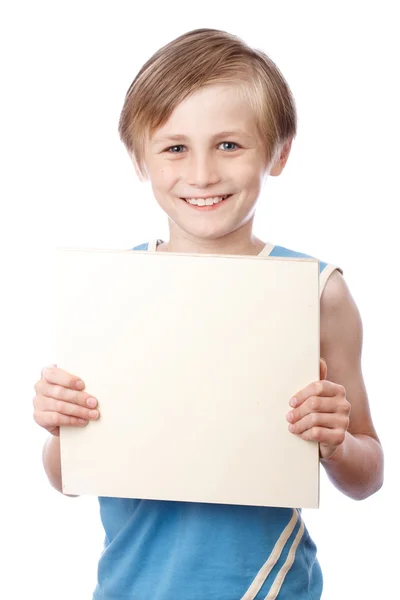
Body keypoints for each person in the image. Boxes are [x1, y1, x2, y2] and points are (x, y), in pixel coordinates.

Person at [33, 28, 383, 599]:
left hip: (270, 589)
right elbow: (66, 478)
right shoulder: (112, 293)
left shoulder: (319, 292)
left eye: (229, 145)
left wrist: (335, 442)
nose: (201, 175)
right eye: (175, 147)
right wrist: (60, 428)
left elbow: (368, 477)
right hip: (128, 589)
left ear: (278, 152)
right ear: (139, 159)